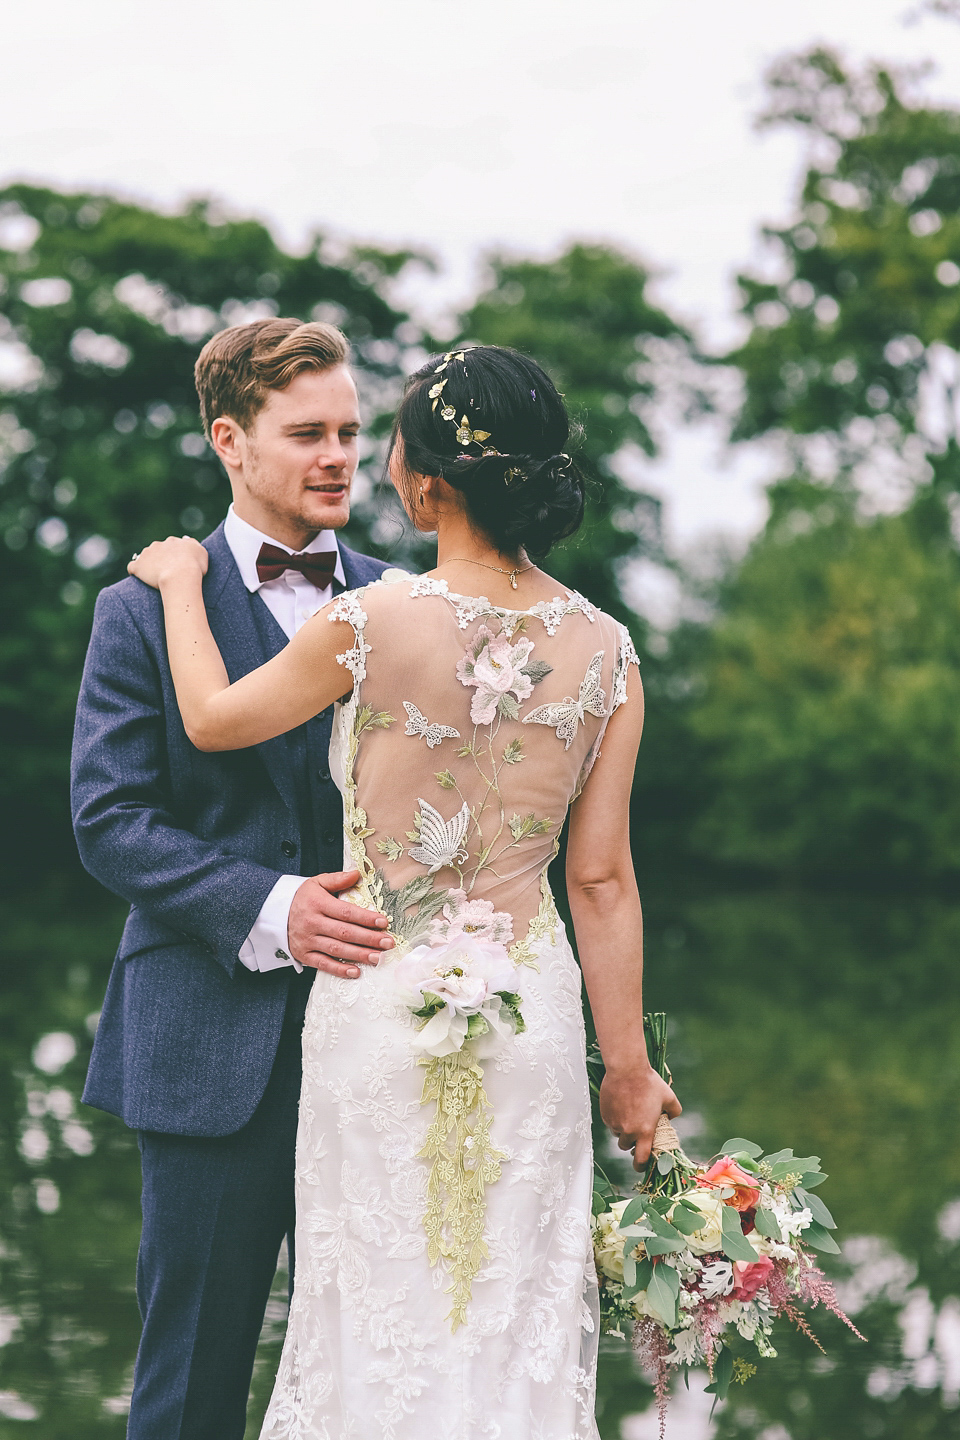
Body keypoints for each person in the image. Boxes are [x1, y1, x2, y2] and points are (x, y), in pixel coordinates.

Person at [127, 344, 681, 1440]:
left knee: (373, 1313)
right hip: (530, 1020)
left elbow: (209, 719)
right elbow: (604, 881)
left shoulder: (370, 620)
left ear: (425, 482)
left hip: (381, 1000)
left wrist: (182, 587)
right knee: (510, 1312)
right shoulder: (609, 653)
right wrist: (629, 1070)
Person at [71, 318, 394, 1440]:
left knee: (375, 1369)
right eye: (307, 432)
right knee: (191, 1384)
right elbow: (110, 821)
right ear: (230, 441)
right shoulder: (137, 612)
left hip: (392, 1043)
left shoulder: (410, 604)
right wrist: (274, 907)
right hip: (208, 1045)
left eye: (351, 431)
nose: (338, 456)